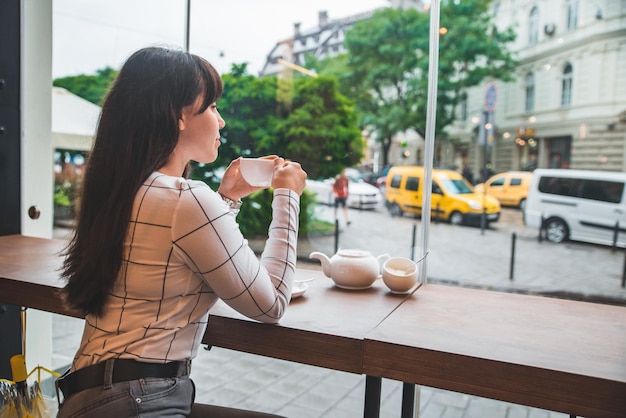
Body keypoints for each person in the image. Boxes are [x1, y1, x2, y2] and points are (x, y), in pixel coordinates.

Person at [56, 46, 307, 417]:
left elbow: (172, 253)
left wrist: (227, 200)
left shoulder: (121, 189)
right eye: (211, 107)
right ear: (178, 116)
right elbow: (269, 304)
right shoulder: (186, 199)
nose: (220, 121)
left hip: (91, 396)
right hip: (139, 400)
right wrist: (287, 196)